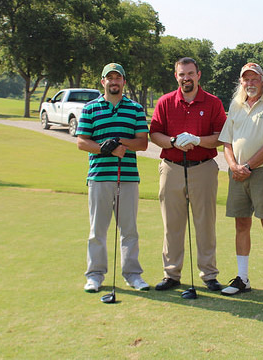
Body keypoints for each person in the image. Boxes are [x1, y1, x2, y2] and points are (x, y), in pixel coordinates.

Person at [149, 57, 226, 292]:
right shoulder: (165, 102)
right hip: (171, 167)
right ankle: (171, 274)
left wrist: (197, 140)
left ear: (198, 75)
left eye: (190, 73)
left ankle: (209, 274)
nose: (186, 78)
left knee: (205, 224)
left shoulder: (212, 102)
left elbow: (220, 136)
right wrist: (172, 141)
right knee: (172, 224)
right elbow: (155, 134)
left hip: (203, 167)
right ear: (176, 76)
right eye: (182, 74)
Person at [76, 63, 150, 293]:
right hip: (99, 177)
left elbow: (143, 142)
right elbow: (81, 141)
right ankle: (95, 275)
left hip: (127, 178)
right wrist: (104, 148)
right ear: (103, 82)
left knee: (129, 230)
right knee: (97, 230)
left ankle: (132, 274)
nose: (114, 82)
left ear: (124, 82)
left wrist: (121, 143)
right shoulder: (90, 109)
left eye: (118, 78)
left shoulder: (135, 109)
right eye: (110, 78)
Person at [218, 63, 263, 301]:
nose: (250, 83)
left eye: (254, 79)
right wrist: (234, 166)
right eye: (246, 80)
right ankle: (242, 278)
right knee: (241, 225)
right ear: (241, 82)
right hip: (237, 174)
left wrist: (247, 166)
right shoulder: (236, 104)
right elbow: (226, 141)